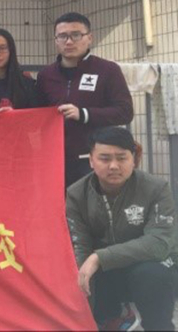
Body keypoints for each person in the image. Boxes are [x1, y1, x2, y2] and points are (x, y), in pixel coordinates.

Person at [66, 126, 178, 331]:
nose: (114, 166)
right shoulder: (76, 194)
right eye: (105, 158)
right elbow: (79, 247)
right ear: (91, 160)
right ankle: (112, 318)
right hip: (108, 273)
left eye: (121, 158)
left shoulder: (156, 188)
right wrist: (83, 315)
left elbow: (159, 243)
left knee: (152, 274)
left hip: (150, 265)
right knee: (80, 270)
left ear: (133, 159)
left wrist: (99, 257)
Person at [36, 12, 133, 188]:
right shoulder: (46, 75)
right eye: (62, 36)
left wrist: (83, 114)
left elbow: (125, 112)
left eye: (76, 35)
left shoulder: (107, 70)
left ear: (89, 38)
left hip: (95, 160)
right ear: (56, 40)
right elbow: (36, 113)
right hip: (54, 160)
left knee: (94, 204)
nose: (69, 41)